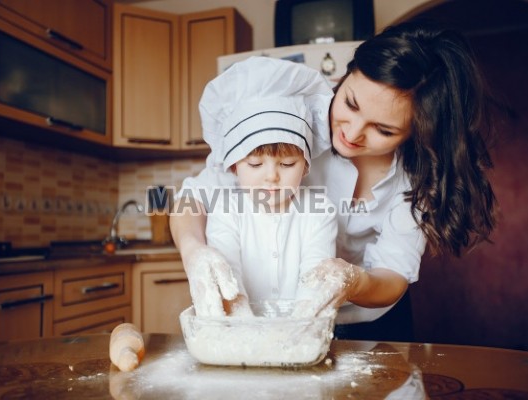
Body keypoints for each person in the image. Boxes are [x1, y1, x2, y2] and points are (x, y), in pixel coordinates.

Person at [171, 20, 498, 339]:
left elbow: (393, 275)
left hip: (374, 322)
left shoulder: (415, 180)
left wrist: (352, 281)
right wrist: (194, 251)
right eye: (350, 103)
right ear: (345, 76)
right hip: (278, 320)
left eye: (383, 130)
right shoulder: (288, 121)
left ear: (416, 132)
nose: (352, 133)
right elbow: (194, 198)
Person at [180, 56, 338, 317]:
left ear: (306, 166)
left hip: (302, 334)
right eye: (254, 164)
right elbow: (230, 283)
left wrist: (297, 335)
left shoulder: (320, 212)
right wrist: (249, 334)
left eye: (287, 164)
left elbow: (314, 285)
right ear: (233, 166)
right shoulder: (226, 211)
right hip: (242, 337)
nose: (271, 177)